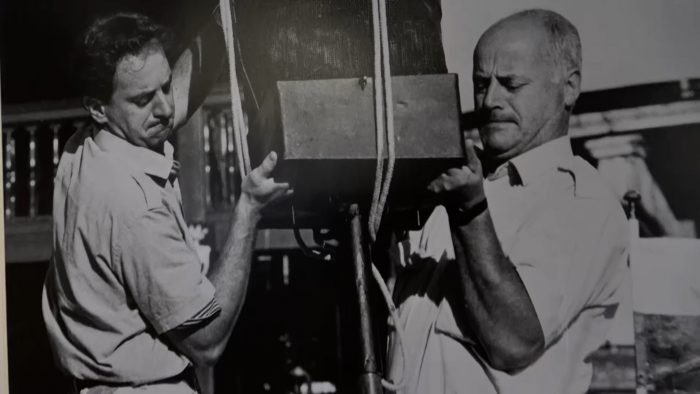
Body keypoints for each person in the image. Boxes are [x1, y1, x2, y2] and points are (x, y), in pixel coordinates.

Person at [41, 12, 290, 394]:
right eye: (143, 99)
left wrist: (223, 24)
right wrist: (248, 209)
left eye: (166, 86)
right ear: (97, 107)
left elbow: (164, 97)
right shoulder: (136, 206)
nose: (164, 109)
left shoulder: (85, 148)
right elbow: (207, 342)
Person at [386, 9, 629, 394]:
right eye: (481, 84)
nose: (490, 101)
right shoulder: (461, 185)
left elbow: (513, 341)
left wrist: (470, 212)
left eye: (511, 84)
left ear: (569, 87)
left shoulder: (583, 203)